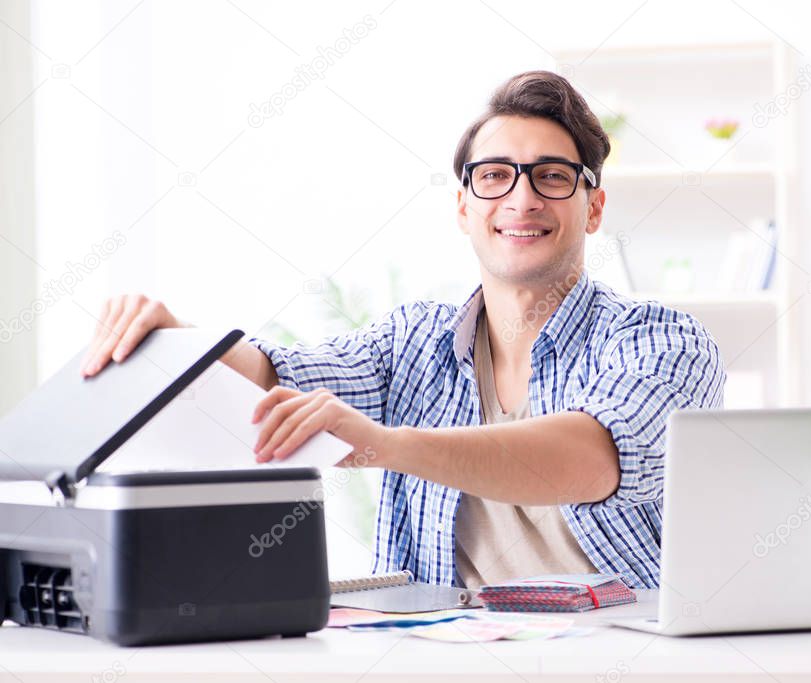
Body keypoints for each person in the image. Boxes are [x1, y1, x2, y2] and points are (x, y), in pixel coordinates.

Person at [79, 70, 724, 589]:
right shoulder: (412, 340)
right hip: (441, 653)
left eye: (553, 176)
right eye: (496, 175)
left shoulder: (664, 343)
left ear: (595, 207)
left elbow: (592, 459)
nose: (522, 199)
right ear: (465, 207)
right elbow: (277, 378)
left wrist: (387, 445)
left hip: (618, 655)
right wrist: (180, 341)